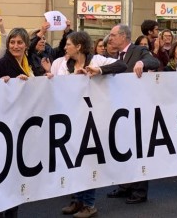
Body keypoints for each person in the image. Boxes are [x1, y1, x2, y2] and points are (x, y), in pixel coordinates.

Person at [56, 31, 126, 218]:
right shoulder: (65, 64)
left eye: (69, 44)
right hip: (73, 118)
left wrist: (99, 71)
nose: (65, 47)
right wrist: (74, 78)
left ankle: (89, 204)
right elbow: (60, 87)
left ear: (78, 46)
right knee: (75, 161)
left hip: (94, 119)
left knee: (89, 161)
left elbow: (122, 65)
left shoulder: (98, 60)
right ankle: (78, 199)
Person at [106, 24, 160, 204]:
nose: (110, 38)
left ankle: (139, 191)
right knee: (122, 149)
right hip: (120, 109)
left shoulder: (139, 51)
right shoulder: (114, 56)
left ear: (123, 36)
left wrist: (142, 62)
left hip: (137, 109)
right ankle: (125, 186)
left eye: (113, 35)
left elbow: (155, 62)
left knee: (137, 150)